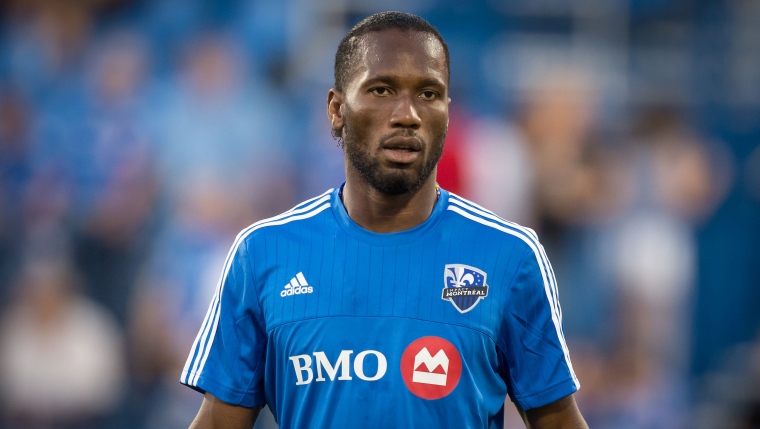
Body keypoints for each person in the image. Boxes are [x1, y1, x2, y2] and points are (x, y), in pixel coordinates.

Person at [181, 11, 588, 429]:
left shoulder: (510, 257)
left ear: (447, 114)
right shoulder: (263, 253)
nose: (407, 114)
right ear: (337, 109)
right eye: (381, 90)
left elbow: (558, 422)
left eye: (428, 93)